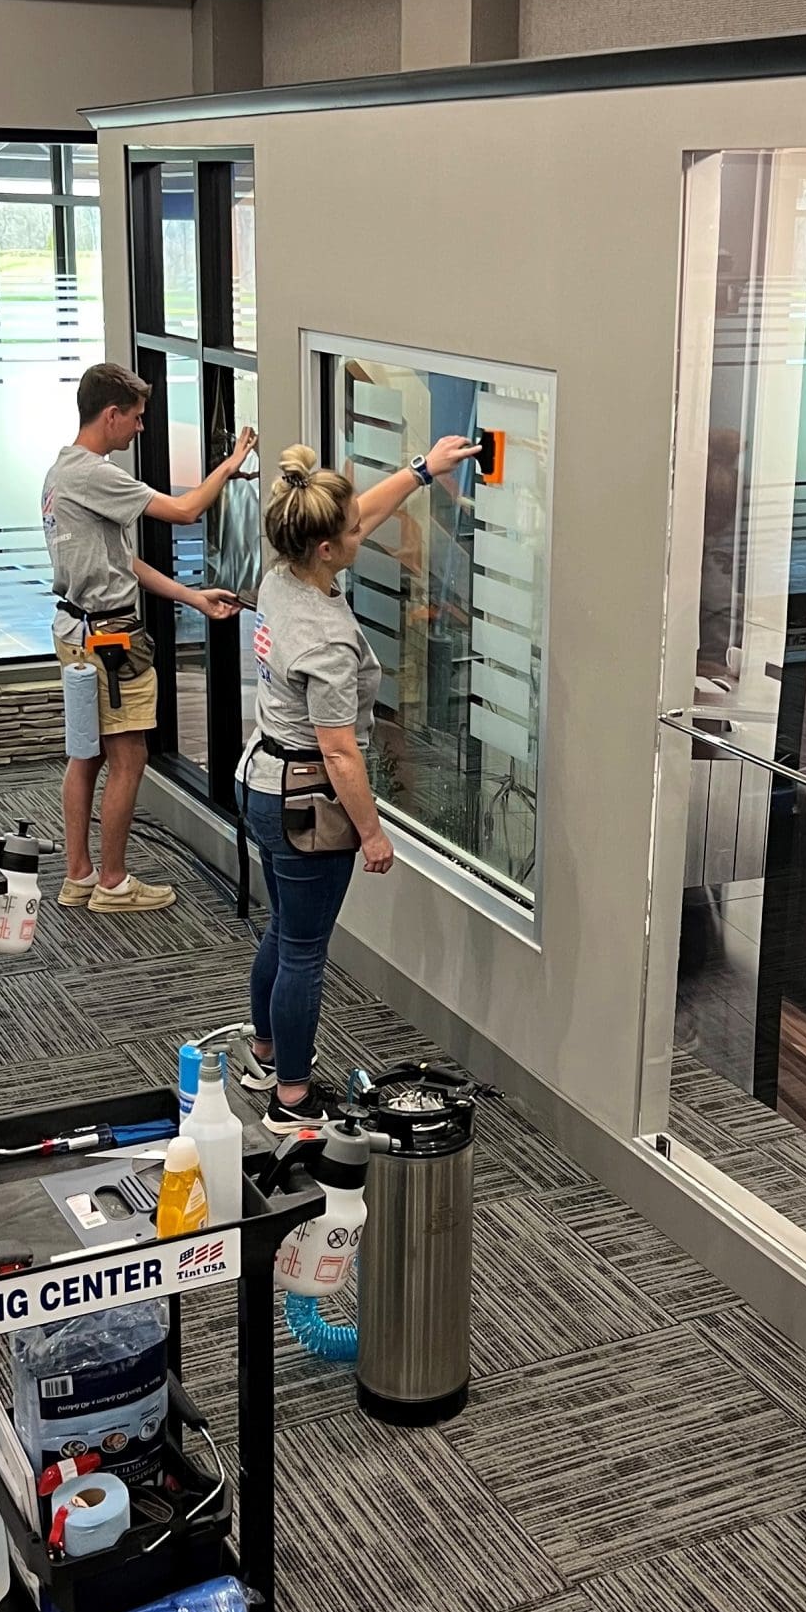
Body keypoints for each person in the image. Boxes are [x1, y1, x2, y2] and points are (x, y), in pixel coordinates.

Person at [238, 435, 475, 1133]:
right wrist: (372, 833)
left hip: (261, 780)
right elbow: (341, 753)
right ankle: (291, 1099)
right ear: (326, 549)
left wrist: (421, 471)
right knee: (304, 951)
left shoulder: (282, 575)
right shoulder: (327, 640)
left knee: (285, 930)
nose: (362, 532)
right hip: (306, 800)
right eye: (350, 532)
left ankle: (264, 1055)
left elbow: (359, 513)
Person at [43, 362, 255, 914]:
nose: (141, 428)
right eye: (136, 418)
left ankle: (79, 875)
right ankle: (113, 883)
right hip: (109, 641)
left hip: (76, 631)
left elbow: (122, 560)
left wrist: (191, 597)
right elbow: (185, 511)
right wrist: (229, 465)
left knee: (87, 754)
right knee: (130, 756)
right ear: (111, 415)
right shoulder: (95, 475)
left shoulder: (61, 472)